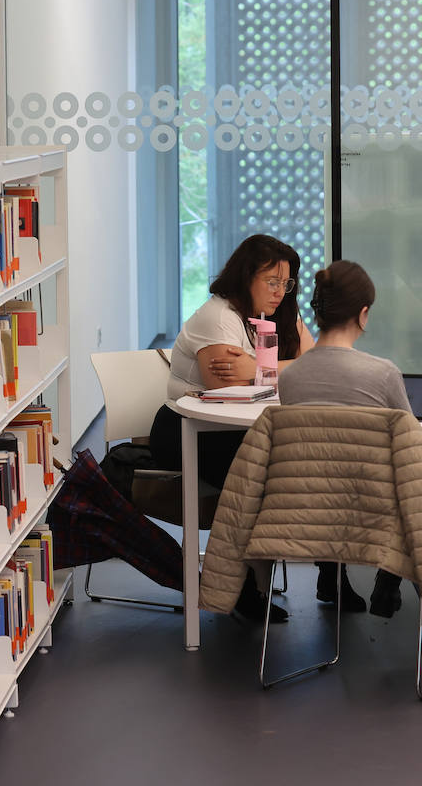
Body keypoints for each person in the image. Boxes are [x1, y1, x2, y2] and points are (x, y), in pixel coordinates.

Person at [278, 260, 422, 656]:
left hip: (304, 511)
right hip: (373, 515)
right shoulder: (382, 374)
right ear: (363, 314)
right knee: (413, 510)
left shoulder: (290, 377)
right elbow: (411, 448)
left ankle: (392, 584)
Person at [149, 233, 315, 622]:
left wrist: (260, 371)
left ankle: (316, 572)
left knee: (298, 464)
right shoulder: (219, 316)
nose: (280, 292)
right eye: (271, 282)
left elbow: (316, 363)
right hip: (189, 430)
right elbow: (228, 385)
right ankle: (242, 585)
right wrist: (276, 373)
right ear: (245, 277)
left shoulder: (280, 313)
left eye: (286, 283)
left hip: (240, 431)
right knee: (268, 476)